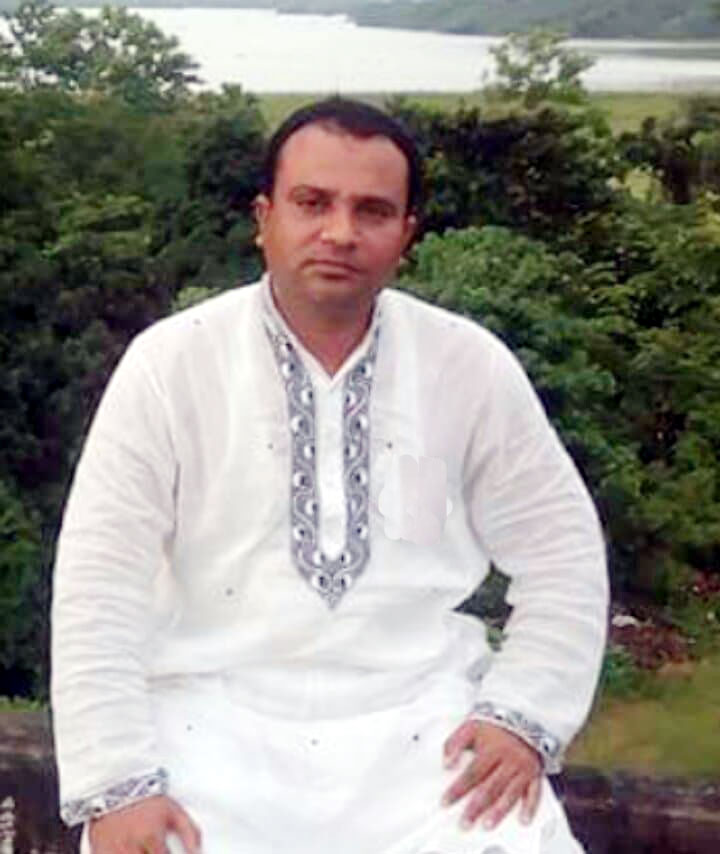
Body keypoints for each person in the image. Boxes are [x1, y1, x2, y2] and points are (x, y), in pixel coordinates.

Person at [51, 97, 608, 854]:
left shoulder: (468, 364)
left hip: (423, 731)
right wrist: (118, 779)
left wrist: (523, 713)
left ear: (406, 234)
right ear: (265, 217)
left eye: (372, 211)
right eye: (312, 202)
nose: (340, 232)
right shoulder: (170, 363)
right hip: (207, 727)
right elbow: (98, 586)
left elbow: (563, 552)